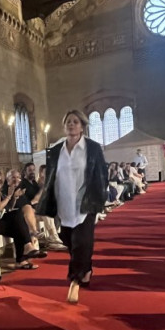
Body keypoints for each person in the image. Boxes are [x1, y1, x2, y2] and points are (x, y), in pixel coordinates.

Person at [37, 110, 108, 304]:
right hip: (63, 204)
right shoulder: (55, 150)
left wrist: (100, 198)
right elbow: (50, 177)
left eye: (75, 122)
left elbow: (101, 174)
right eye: (68, 121)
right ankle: (86, 268)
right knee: (69, 240)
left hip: (85, 203)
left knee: (81, 241)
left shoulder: (92, 148)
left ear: (82, 126)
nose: (71, 125)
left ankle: (74, 280)